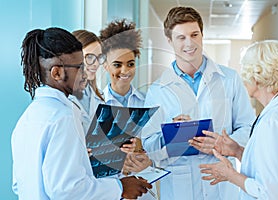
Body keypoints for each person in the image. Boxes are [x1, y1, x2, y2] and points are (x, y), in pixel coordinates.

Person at [11, 27, 151, 200]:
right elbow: (67, 190)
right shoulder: (63, 117)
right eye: (79, 67)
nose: (85, 73)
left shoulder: (28, 117)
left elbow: (18, 184)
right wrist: (120, 187)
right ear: (57, 73)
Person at [141, 6, 255, 200]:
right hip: (179, 189)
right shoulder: (158, 90)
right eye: (181, 37)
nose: (189, 43)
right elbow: (149, 145)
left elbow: (248, 127)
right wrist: (172, 135)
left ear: (202, 35)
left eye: (194, 34)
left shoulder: (229, 79)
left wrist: (224, 144)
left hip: (222, 185)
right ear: (169, 41)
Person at [198, 40, 278, 200]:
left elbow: (269, 193)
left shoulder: (272, 123)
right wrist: (237, 151)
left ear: (257, 76)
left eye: (245, 71)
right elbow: (272, 166)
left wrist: (230, 175)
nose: (243, 79)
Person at [99, 19, 156, 199]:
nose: (125, 71)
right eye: (117, 64)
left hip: (144, 191)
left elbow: (158, 147)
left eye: (130, 64)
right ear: (105, 65)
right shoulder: (95, 105)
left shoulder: (148, 102)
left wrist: (145, 150)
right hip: (110, 191)